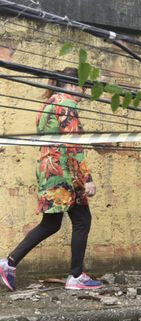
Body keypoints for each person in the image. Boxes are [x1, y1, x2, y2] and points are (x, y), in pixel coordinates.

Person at [0, 67, 102, 291]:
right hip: (64, 173)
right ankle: (75, 277)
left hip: (49, 170)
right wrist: (87, 178)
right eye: (82, 87)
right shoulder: (67, 104)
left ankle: (9, 263)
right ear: (72, 85)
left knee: (53, 223)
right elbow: (73, 145)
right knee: (81, 220)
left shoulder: (47, 105)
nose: (83, 93)